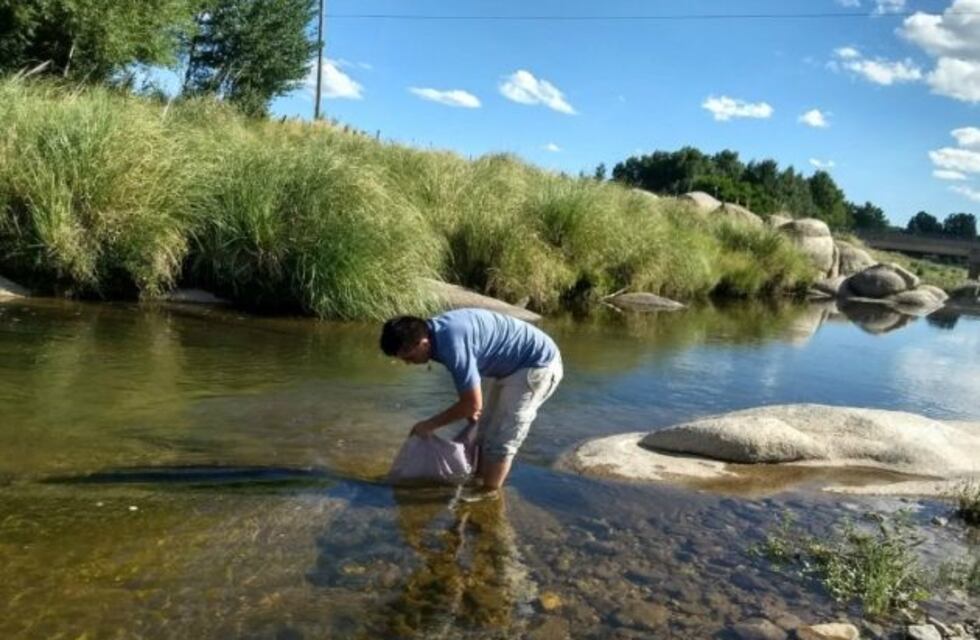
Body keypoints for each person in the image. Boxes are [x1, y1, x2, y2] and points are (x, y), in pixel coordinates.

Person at [380, 308, 562, 493]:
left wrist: (429, 425)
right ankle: (478, 483)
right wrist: (469, 408)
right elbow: (471, 392)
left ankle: (488, 496)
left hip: (536, 365)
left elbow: (472, 404)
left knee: (501, 441)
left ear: (423, 343)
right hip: (510, 366)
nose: (408, 363)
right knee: (483, 432)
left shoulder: (451, 343)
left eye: (409, 357)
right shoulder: (432, 333)